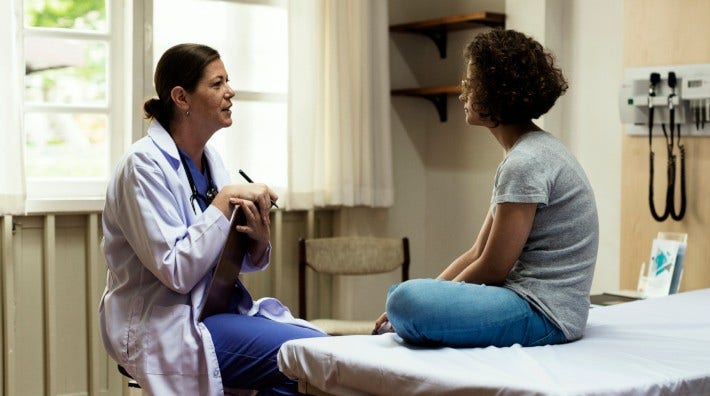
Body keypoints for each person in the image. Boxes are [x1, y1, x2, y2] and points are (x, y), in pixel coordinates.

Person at [98, 43, 325, 396]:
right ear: (181, 98)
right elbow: (176, 271)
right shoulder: (142, 166)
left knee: (317, 347)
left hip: (212, 311)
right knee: (311, 358)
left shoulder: (212, 160)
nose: (230, 92)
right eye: (217, 84)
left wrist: (255, 241)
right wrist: (221, 205)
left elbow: (219, 260)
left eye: (228, 82)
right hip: (163, 324)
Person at [374, 29, 599, 348]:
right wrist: (435, 292)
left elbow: (494, 267)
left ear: (497, 93)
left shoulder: (526, 162)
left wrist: (427, 300)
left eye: (470, 82)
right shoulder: (526, 153)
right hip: (534, 303)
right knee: (404, 297)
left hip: (545, 313)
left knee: (405, 300)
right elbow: (478, 252)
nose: (462, 92)